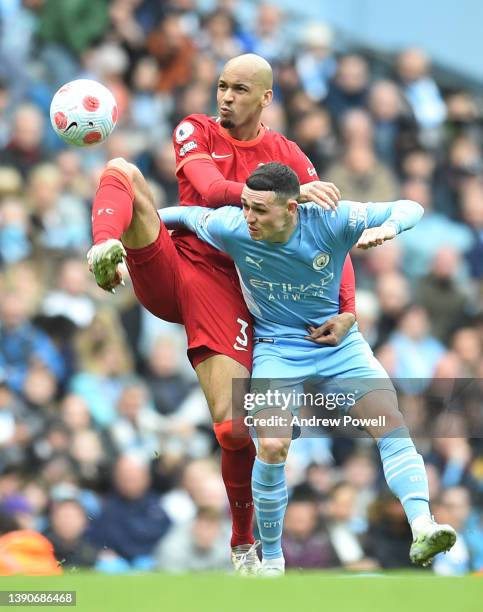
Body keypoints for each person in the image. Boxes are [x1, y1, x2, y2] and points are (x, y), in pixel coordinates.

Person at [88, 53, 356, 574]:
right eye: (221, 86)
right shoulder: (196, 130)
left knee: (235, 429)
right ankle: (104, 249)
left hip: (231, 290)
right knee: (121, 169)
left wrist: (347, 307)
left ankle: (241, 545)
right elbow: (210, 193)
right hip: (176, 261)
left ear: (265, 98)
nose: (226, 97)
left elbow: (329, 238)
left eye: (238, 89)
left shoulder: (287, 154)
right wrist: (287, 197)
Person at [158, 161, 457, 576]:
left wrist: (390, 229)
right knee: (274, 445)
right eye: (246, 206)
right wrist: (121, 234)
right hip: (277, 349)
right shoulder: (233, 226)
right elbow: (182, 215)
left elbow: (411, 206)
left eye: (260, 210)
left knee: (390, 424)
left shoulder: (330, 219)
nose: (250, 218)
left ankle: (423, 525)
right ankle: (273, 559)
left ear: (292, 208)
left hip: (339, 346)